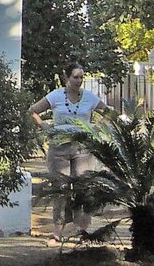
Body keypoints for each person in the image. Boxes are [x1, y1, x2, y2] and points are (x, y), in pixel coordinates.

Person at [29, 62, 105, 238]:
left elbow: (109, 113)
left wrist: (95, 129)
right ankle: (58, 231)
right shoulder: (55, 96)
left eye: (81, 77)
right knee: (60, 189)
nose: (79, 81)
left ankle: (82, 230)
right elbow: (33, 111)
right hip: (59, 148)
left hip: (82, 148)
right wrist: (45, 127)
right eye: (75, 77)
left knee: (83, 187)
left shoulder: (89, 97)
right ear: (67, 78)